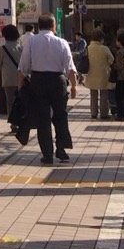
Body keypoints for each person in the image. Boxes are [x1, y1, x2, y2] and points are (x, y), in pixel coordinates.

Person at [17, 13, 78, 165]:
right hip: (58, 81)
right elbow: (69, 67)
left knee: (43, 119)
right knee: (60, 116)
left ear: (39, 26)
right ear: (53, 26)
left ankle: (47, 154)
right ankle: (62, 150)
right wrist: (74, 86)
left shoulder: (31, 41)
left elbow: (23, 66)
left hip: (38, 81)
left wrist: (20, 86)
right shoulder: (62, 42)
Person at [0, 24, 23, 118]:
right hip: (22, 80)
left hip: (8, 80)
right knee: (21, 101)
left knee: (11, 103)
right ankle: (21, 121)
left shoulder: (2, 49)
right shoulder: (21, 48)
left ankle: (13, 123)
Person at [83, 31, 116, 119]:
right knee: (104, 95)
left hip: (91, 74)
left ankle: (94, 113)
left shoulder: (88, 48)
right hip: (103, 74)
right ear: (102, 39)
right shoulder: (105, 48)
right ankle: (104, 113)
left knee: (93, 95)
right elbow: (111, 60)